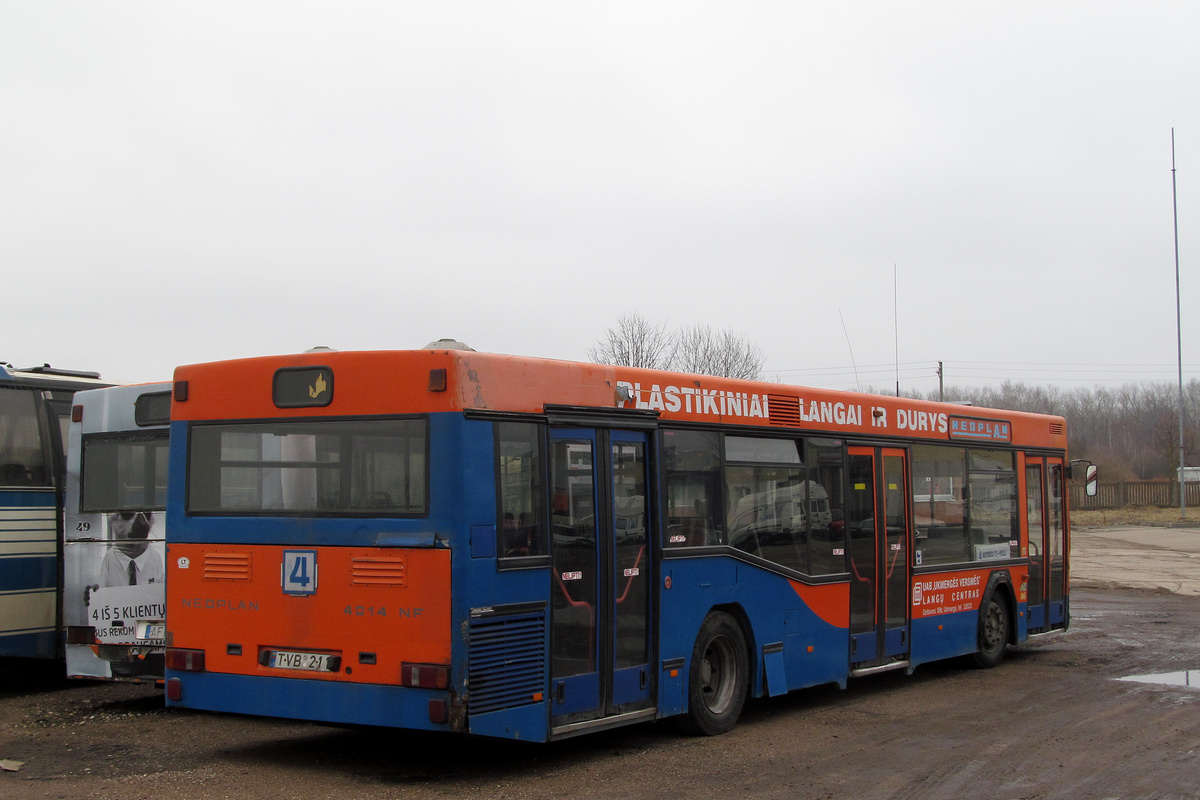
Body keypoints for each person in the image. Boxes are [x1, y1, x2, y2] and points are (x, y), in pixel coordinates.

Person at [99, 511, 165, 586]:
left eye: (146, 514)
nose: (142, 522)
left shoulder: (155, 557)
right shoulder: (109, 557)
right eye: (129, 514)